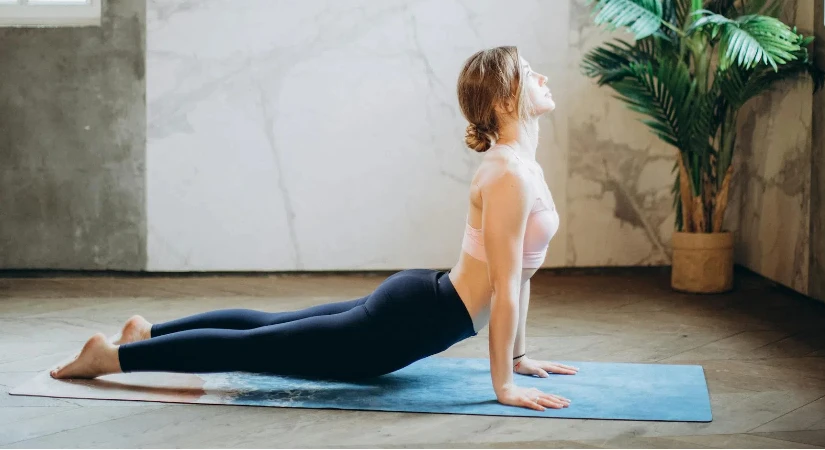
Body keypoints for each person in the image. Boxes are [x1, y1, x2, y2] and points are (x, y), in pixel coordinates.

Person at [50, 46, 578, 412]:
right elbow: (504, 288)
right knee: (253, 348)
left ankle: (147, 333)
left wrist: (518, 356)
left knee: (265, 326)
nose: (543, 78)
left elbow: (520, 276)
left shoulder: (520, 167)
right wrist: (503, 383)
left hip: (423, 303)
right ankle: (112, 357)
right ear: (506, 101)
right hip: (408, 323)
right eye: (530, 72)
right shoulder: (508, 174)